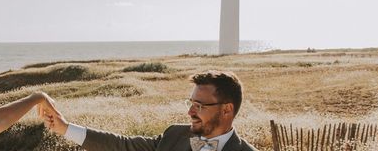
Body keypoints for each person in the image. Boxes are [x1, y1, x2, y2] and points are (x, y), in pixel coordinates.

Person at [40, 70, 258, 151]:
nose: (190, 112)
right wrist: (65, 128)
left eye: (199, 106)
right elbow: (121, 145)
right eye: (191, 103)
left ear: (227, 110)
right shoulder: (174, 136)